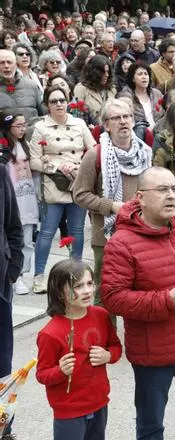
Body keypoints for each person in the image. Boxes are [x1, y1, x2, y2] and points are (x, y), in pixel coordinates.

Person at [101, 166, 175, 440]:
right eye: (162, 190)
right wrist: (166, 300)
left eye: (174, 189)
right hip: (152, 353)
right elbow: (112, 298)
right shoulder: (122, 242)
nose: (171, 196)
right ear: (141, 198)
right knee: (151, 423)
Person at [72, 99, 153, 306]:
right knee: (106, 293)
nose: (123, 122)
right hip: (107, 237)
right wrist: (111, 206)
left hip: (141, 233)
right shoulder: (95, 155)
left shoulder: (145, 153)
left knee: (140, 290)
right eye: (116, 118)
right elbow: (79, 195)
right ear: (107, 124)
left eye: (127, 117)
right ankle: (106, 337)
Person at [35, 259, 122, 440]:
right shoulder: (50, 333)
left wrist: (108, 355)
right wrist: (60, 371)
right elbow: (42, 374)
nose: (87, 290)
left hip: (99, 402)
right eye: (78, 286)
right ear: (59, 292)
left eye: (90, 283)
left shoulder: (101, 315)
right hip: (69, 410)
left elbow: (115, 347)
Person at [29, 87, 96, 294]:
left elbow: (93, 149)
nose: (59, 104)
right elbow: (33, 161)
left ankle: (76, 274)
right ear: (47, 105)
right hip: (53, 185)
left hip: (78, 182)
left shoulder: (79, 123)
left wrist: (80, 167)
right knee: (47, 232)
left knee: (76, 231)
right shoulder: (40, 128)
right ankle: (39, 276)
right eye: (53, 101)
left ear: (68, 102)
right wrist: (57, 167)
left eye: (62, 100)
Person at [0, 111, 37, 295]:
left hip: (28, 196)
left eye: (24, 125)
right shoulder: (4, 148)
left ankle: (22, 272)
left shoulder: (25, 145)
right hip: (12, 197)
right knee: (12, 235)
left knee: (27, 239)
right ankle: (14, 275)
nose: (23, 129)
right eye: (18, 125)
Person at [0, 159, 23, 440]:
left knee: (2, 366)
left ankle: (3, 428)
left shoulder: (1, 172)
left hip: (0, 287)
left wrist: (13, 270)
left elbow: (13, 226)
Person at [0, 49, 43, 123]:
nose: (6, 66)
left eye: (9, 62)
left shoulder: (31, 85)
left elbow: (42, 114)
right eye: (2, 63)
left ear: (16, 65)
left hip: (32, 132)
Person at [117, 63, 163, 130]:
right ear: (133, 79)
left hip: (159, 133)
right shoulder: (126, 97)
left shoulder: (157, 94)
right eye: (140, 74)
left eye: (146, 74)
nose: (144, 77)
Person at [73, 55, 116, 124]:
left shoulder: (111, 89)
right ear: (94, 73)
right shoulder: (81, 89)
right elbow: (77, 115)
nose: (107, 75)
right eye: (103, 72)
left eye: (108, 72)